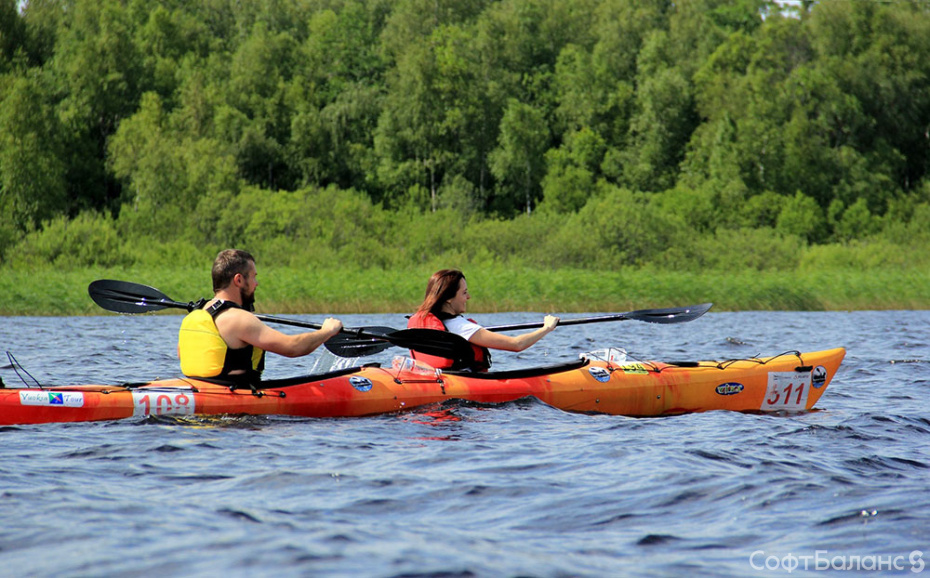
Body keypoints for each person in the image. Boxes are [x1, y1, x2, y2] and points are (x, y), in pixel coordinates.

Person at [177, 249, 343, 385]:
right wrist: (327, 331)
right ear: (239, 280)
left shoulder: (196, 315)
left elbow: (182, 354)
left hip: (197, 391)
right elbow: (292, 348)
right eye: (254, 276)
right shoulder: (238, 318)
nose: (256, 283)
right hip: (233, 408)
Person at [407, 269, 559, 371]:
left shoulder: (423, 320)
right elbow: (517, 345)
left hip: (438, 380)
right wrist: (547, 328)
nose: (468, 297)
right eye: (464, 293)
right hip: (462, 384)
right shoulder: (461, 327)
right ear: (448, 298)